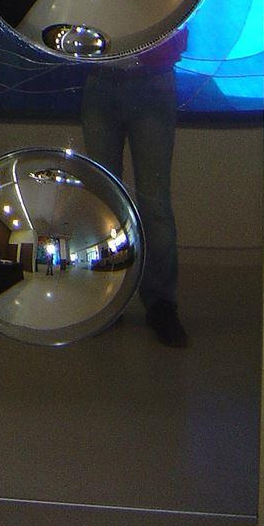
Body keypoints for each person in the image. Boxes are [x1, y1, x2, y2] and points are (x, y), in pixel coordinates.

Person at [81, 28, 189, 347]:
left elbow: (181, 20)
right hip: (102, 80)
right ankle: (109, 299)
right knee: (104, 201)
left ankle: (161, 305)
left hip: (152, 79)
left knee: (154, 203)